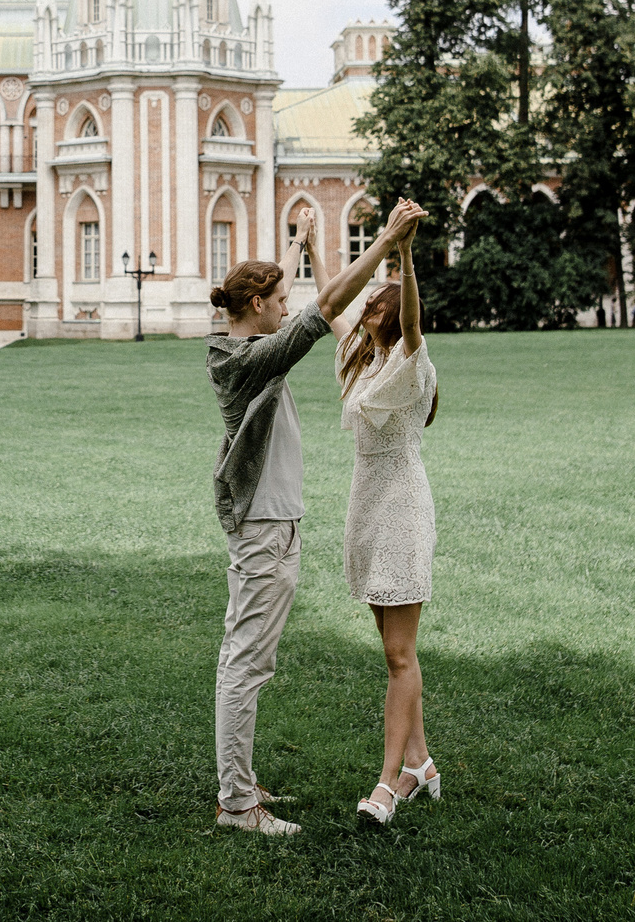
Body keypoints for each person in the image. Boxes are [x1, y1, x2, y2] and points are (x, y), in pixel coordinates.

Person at [208, 197, 426, 836]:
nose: (286, 308)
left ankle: (241, 784)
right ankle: (237, 804)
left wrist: (303, 246)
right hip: (264, 528)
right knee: (245, 663)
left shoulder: (245, 342)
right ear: (255, 309)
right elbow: (327, 308)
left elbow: (303, 300)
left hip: (273, 525)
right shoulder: (249, 360)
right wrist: (387, 240)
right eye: (277, 302)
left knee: (245, 659)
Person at [335, 234, 442, 827]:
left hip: (401, 507)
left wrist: (403, 261)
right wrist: (310, 253)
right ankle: (420, 762)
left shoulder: (411, 362)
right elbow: (336, 317)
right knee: (393, 650)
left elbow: (412, 320)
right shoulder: (366, 361)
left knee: (401, 655)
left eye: (380, 305)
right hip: (366, 506)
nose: (370, 310)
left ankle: (386, 783)